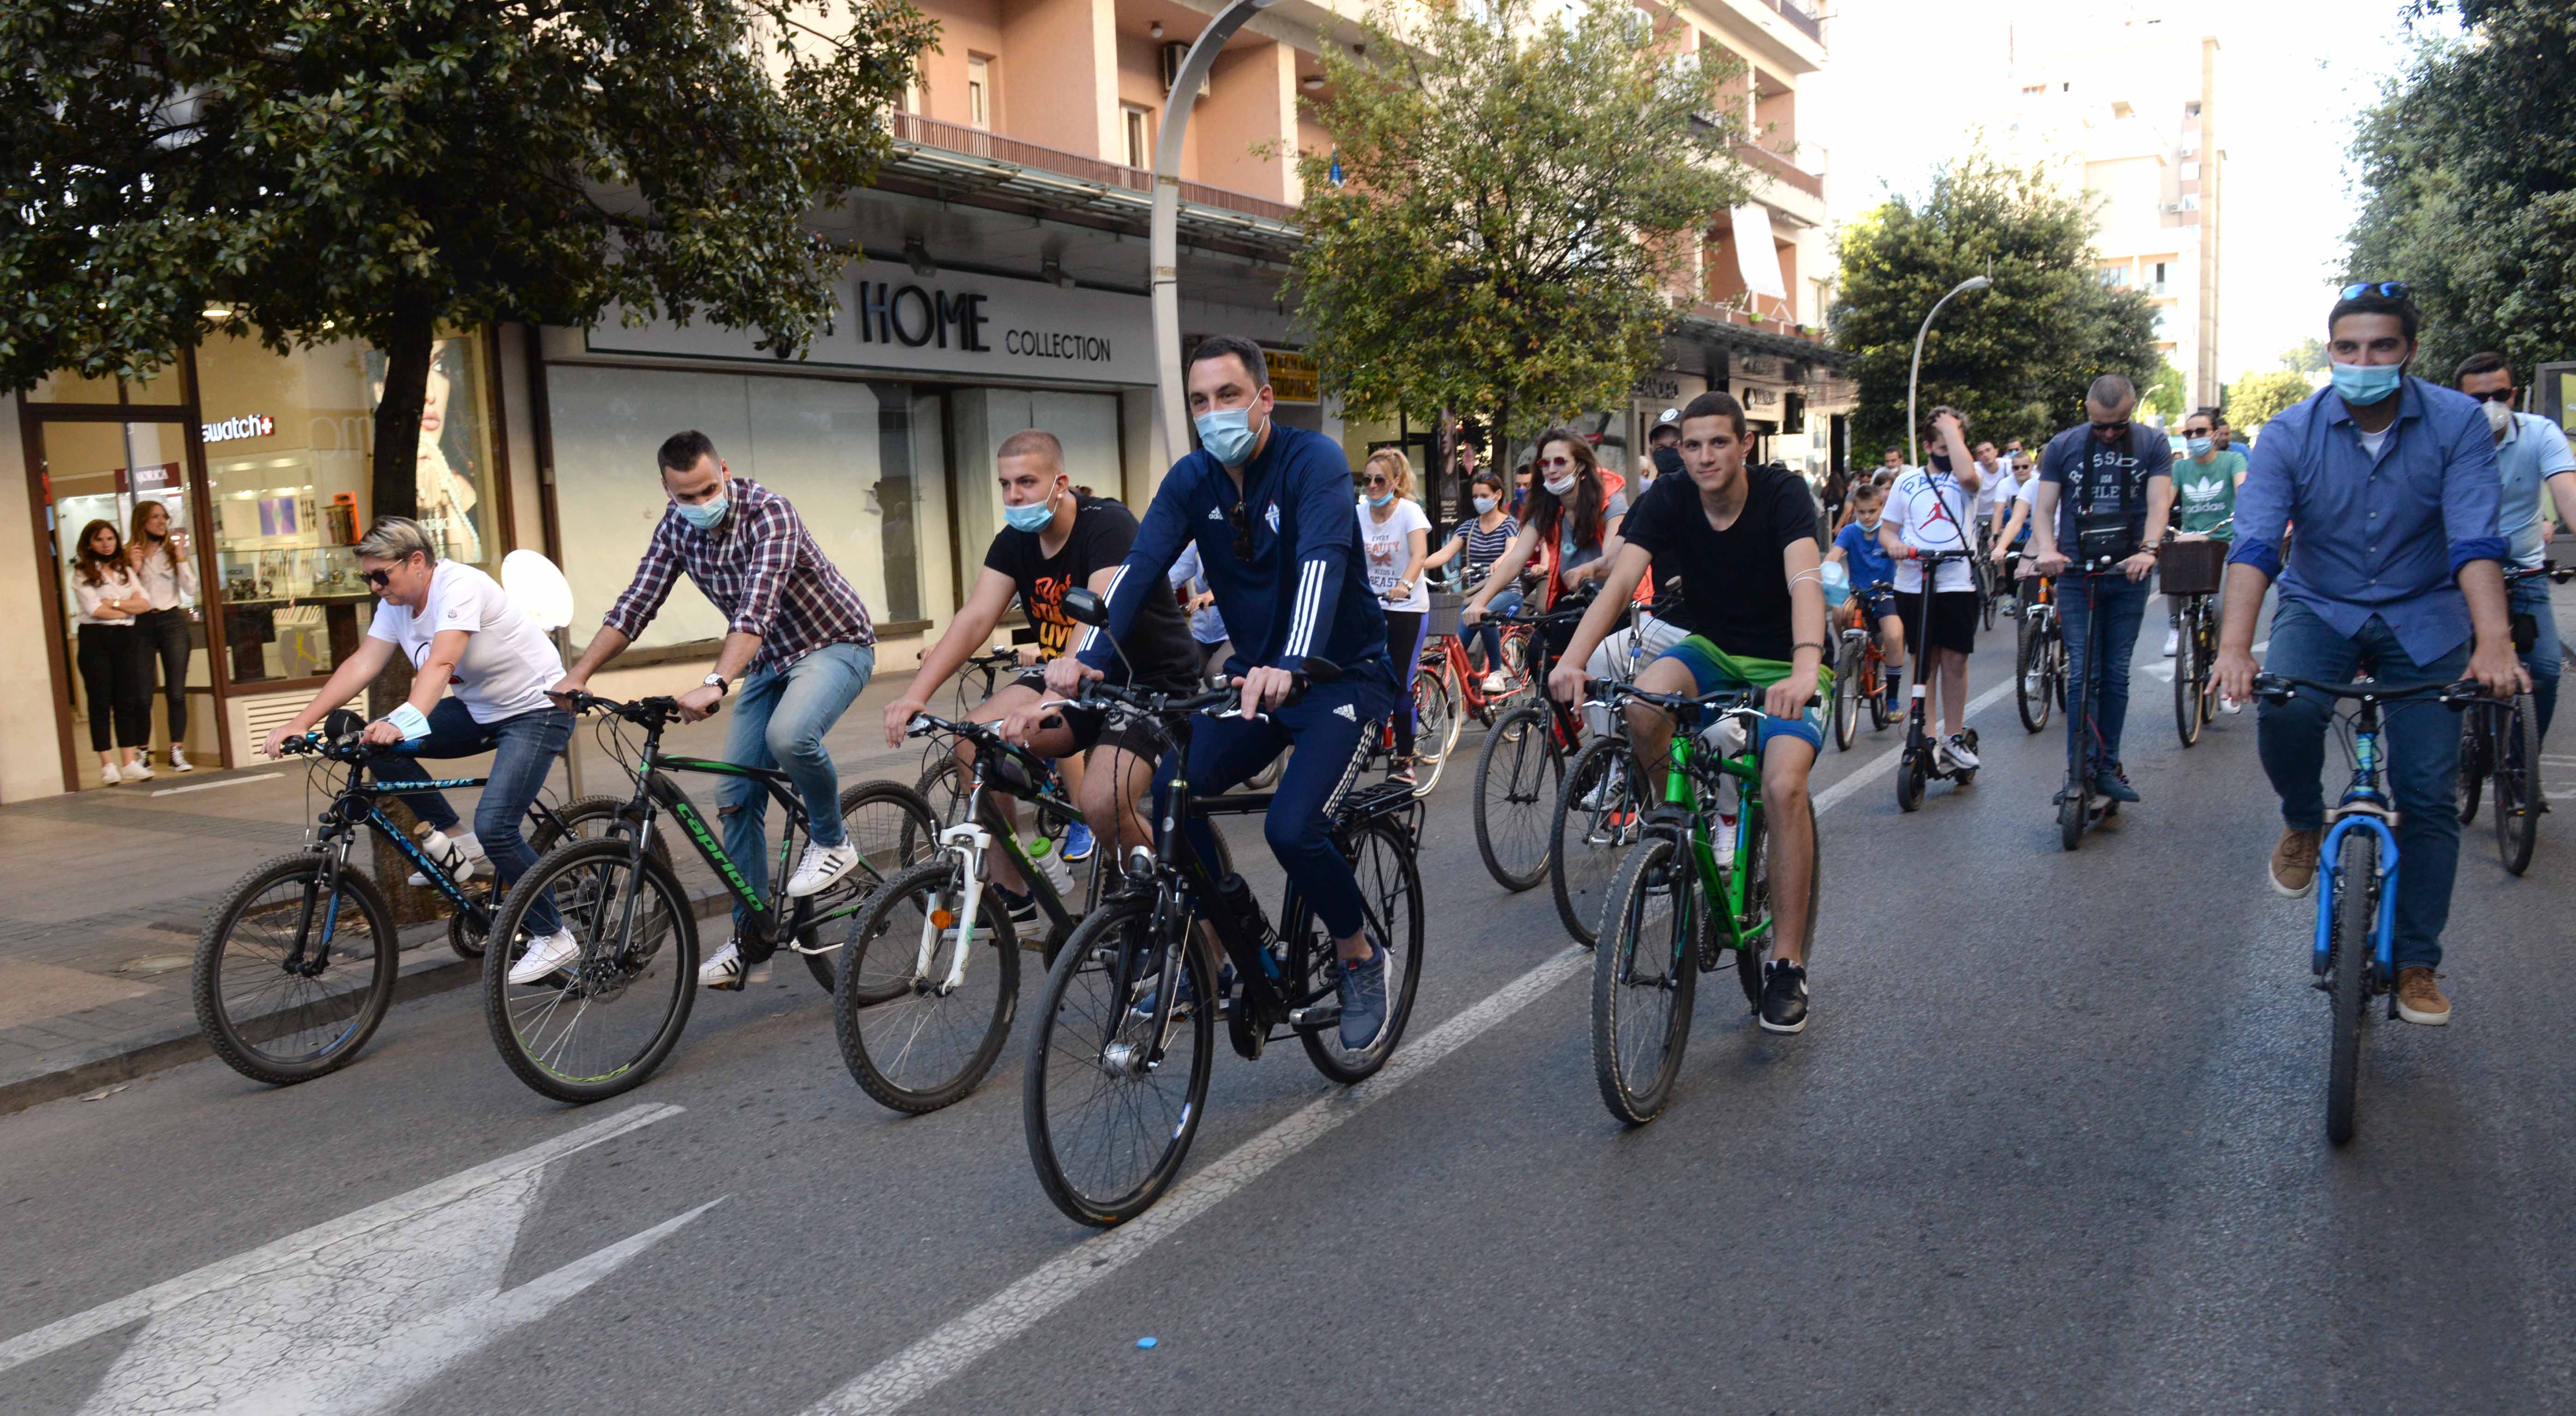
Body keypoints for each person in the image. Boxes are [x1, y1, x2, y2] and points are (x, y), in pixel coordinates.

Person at [1047, 335, 1398, 1050]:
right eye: (1200, 401)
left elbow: (1321, 566)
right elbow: (1143, 568)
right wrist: (1083, 657)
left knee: (1292, 828)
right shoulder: (1191, 480)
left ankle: (1360, 953)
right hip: (1256, 683)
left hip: (1342, 680)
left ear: (1264, 399)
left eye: (1228, 396)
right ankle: (1239, 934)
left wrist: (1295, 660)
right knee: (1171, 793)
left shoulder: (1315, 463)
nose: (1213, 414)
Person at [2215, 284, 2520, 1028]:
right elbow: (2256, 543)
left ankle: (2417, 960)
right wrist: (2232, 649)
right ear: (2330, 353)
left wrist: (2494, 641)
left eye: (2382, 346)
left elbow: (2476, 538)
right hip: (2321, 605)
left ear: (2409, 351)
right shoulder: (2289, 432)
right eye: (2347, 348)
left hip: (2424, 613)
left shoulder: (2455, 424)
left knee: (2425, 795)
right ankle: (2301, 818)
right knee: (2285, 705)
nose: (2364, 361)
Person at [1546, 391, 1828, 1033]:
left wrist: (1806, 668)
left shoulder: (1782, 495)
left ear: (1744, 445)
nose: (1703, 456)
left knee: (1782, 784)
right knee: (1643, 704)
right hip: (1712, 650)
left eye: (1718, 443)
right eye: (1691, 444)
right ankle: (1673, 830)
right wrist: (1574, 658)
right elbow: (1619, 581)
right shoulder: (1670, 496)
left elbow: (1804, 582)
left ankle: (1786, 964)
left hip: (1787, 660)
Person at [554, 430, 877, 990]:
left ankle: (832, 840)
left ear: (724, 470)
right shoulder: (675, 526)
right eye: (687, 496)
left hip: (834, 643)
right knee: (733, 797)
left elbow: (757, 605)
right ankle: (750, 941)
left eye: (709, 489)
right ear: (666, 489)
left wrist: (714, 681)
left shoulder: (770, 513)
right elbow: (636, 603)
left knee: (792, 735)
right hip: (768, 662)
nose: (701, 504)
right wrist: (578, 675)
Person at [885, 430, 1197, 920]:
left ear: (1061, 483)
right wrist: (914, 696)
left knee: (1101, 804)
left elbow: (1094, 618)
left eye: (1026, 482)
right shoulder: (1015, 542)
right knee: (972, 740)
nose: (1014, 496)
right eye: (1005, 484)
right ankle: (1015, 890)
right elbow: (974, 618)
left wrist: (1048, 699)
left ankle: (1165, 909)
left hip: (1143, 683)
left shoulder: (1108, 525)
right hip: (1068, 680)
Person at [256, 518, 578, 981]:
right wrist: (300, 722)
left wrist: (403, 719)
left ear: (417, 562)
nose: (373, 585)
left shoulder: (461, 586)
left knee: (498, 825)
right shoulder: (397, 603)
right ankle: (456, 837)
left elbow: (443, 660)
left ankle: (553, 934)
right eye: (365, 577)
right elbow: (363, 662)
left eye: (380, 575)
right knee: (374, 747)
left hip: (537, 709)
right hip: (478, 708)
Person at [2028, 376, 2174, 804]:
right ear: (2087, 411)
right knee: (2082, 675)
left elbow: (2159, 502)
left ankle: (2108, 766)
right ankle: (2080, 768)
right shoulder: (2062, 445)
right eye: (2100, 425)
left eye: (2118, 425)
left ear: (2131, 412)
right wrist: (2048, 550)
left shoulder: (2152, 444)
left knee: (2114, 673)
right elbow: (2044, 507)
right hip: (2076, 574)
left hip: (2128, 573)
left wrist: (2149, 550)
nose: (2109, 433)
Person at [2456, 351, 2576, 742]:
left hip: (2524, 571)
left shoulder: (2540, 433)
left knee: (2543, 671)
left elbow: (2568, 497)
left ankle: (2524, 767)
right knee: (2446, 677)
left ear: (2514, 395)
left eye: (2500, 394)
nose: (2490, 406)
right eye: (2476, 399)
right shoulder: (2446, 441)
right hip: (2458, 574)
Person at [1458, 428, 1630, 664]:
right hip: (1573, 598)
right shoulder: (1546, 507)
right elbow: (1516, 558)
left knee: (1591, 664)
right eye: (1545, 463)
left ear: (1580, 466)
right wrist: (1481, 601)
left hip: (1613, 598)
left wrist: (1589, 570)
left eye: (1560, 462)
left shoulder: (1611, 501)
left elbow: (1612, 560)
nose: (1551, 469)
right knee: (1538, 653)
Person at [1877, 407, 1983, 771]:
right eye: (1941, 444)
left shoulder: (1968, 474)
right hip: (1914, 580)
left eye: (1955, 442)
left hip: (1957, 580)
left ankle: (1954, 736)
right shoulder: (1907, 483)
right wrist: (1893, 544)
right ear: (1926, 446)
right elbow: (1887, 529)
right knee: (1925, 659)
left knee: (1955, 659)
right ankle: (1931, 735)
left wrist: (1953, 431)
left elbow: (1968, 475)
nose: (1949, 451)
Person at [1355, 448, 1434, 785]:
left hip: (1406, 607)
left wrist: (1404, 584)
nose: (1372, 486)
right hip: (1370, 605)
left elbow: (1419, 555)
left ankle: (1405, 760)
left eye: (1379, 480)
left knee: (1399, 681)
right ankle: (1366, 738)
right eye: (1366, 480)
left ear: (1397, 482)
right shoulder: (1357, 513)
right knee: (1359, 673)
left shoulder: (1409, 513)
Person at [69, 519, 155, 785]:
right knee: (100, 702)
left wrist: (115, 602)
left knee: (127, 701)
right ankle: (108, 765)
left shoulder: (124, 570)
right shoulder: (82, 573)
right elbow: (95, 610)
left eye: (110, 539)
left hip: (126, 638)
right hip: (96, 639)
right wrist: (127, 606)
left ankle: (129, 761)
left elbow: (145, 604)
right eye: (99, 540)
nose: (106, 545)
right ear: (89, 544)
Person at [1421, 467, 1520, 690]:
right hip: (1475, 594)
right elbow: (1445, 554)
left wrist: (1501, 560)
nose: (1479, 501)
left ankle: (1496, 671)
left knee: (1482, 614)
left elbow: (1512, 552)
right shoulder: (1469, 526)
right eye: (1475, 496)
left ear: (1498, 495)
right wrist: (1417, 564)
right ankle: (1474, 697)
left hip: (1507, 592)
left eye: (1484, 496)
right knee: (1458, 646)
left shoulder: (1510, 524)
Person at [2164, 408, 2246, 666]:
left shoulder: (2232, 461)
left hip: (2224, 540)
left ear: (2214, 434)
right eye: (2189, 433)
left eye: (2201, 431)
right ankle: (2176, 627)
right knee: (2171, 561)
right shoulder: (2180, 468)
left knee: (2220, 610)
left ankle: (2223, 664)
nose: (2194, 437)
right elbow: (2164, 502)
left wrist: (2246, 512)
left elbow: (2242, 490)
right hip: (2191, 540)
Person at [125, 499, 200, 772]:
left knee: (176, 692)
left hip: (171, 620)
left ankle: (176, 752)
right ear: (141, 521)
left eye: (164, 518)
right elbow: (122, 595)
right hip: (141, 623)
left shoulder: (173, 551)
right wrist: (133, 568)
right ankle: (142, 752)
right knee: (143, 695)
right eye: (155, 517)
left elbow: (191, 589)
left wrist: (180, 557)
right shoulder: (129, 553)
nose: (161, 522)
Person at [1829, 481, 1905, 715]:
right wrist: (1826, 571)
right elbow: (1833, 556)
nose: (1867, 516)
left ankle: (1892, 699)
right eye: (1861, 512)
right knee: (1839, 611)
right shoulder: (1850, 531)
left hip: (1886, 592)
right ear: (1856, 511)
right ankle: (1849, 655)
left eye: (1872, 511)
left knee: (1893, 635)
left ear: (1882, 507)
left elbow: (1903, 557)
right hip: (1858, 593)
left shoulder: (1891, 532)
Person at [1167, 540, 1233, 682]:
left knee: (1215, 677)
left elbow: (1246, 579)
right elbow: (1171, 576)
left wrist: (1216, 593)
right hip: (1202, 632)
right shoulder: (1200, 546)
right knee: (1178, 671)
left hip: (1235, 634)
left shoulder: (1243, 541)